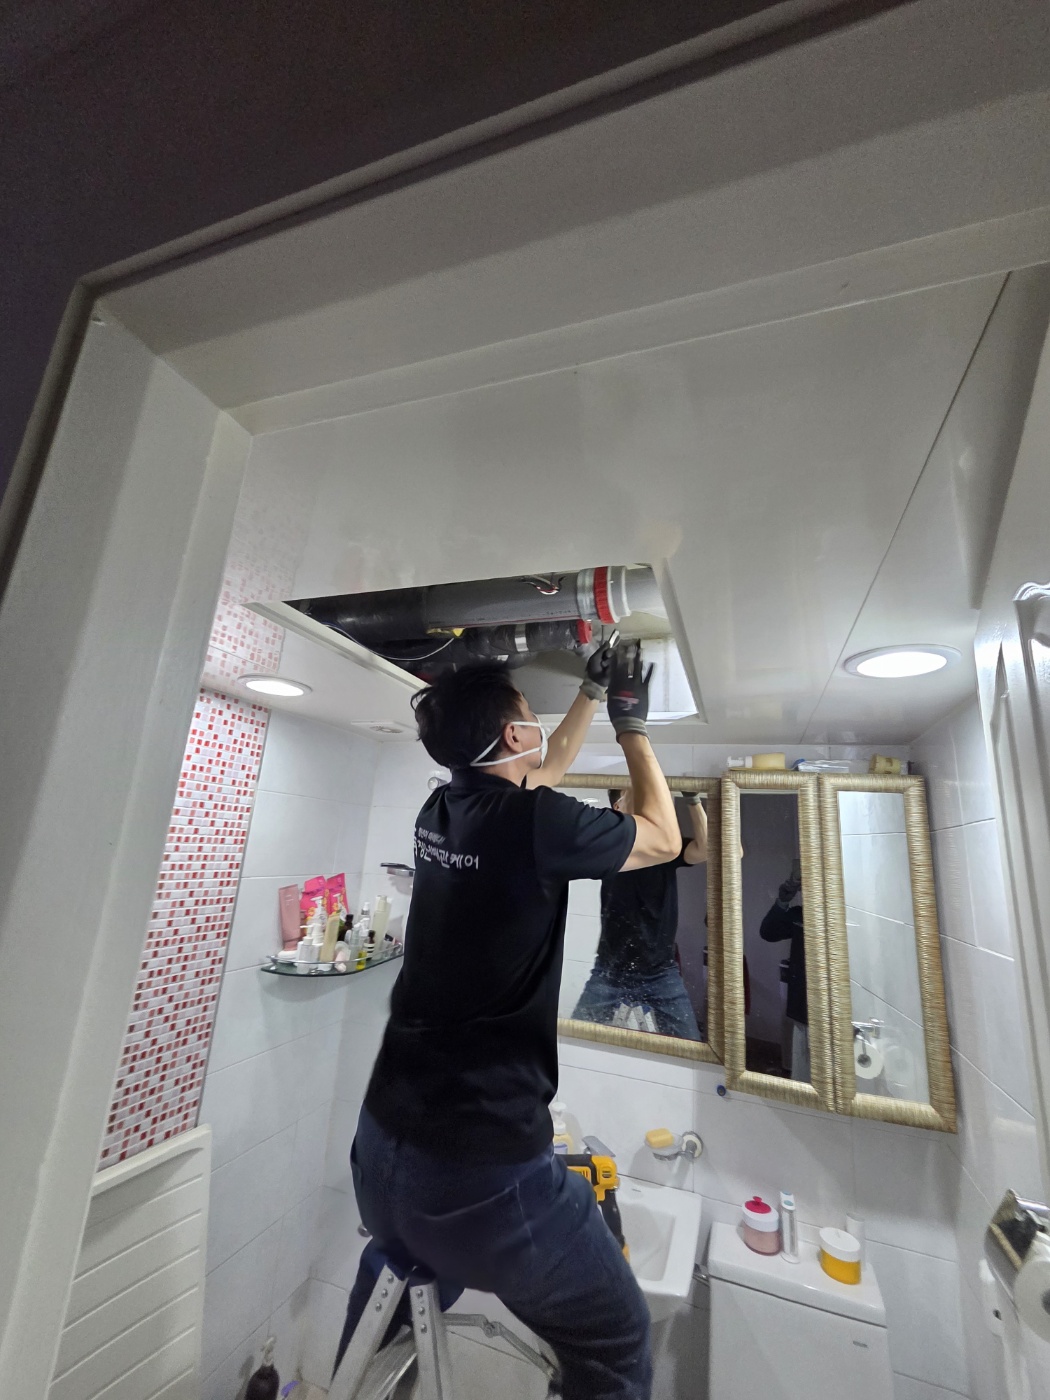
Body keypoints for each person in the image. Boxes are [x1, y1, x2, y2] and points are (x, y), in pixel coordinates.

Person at [334, 642, 680, 1399]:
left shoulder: (442, 809)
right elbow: (663, 837)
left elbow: (543, 770)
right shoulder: (534, 822)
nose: (537, 729)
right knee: (618, 1339)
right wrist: (631, 724)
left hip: (381, 1155)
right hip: (480, 1172)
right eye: (529, 716)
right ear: (516, 734)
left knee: (411, 1269)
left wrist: (589, 694)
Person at [572, 786, 707, 1040]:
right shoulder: (607, 848)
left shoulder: (665, 848)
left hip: (660, 974)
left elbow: (707, 848)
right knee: (576, 1039)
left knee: (691, 1047)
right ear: (618, 807)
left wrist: (693, 800)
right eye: (638, 795)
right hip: (609, 972)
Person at [758, 860, 808, 1081]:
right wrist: (783, 900)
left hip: (829, 1014)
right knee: (801, 1079)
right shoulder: (800, 915)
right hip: (800, 1010)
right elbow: (768, 932)